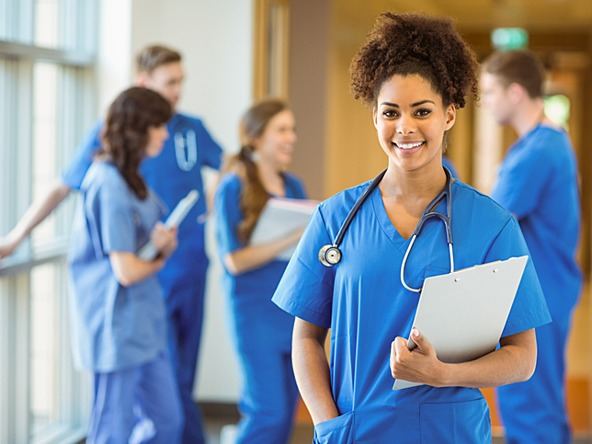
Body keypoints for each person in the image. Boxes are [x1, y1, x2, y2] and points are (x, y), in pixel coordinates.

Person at [271, 12, 551, 443]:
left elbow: (522, 357)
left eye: (422, 111)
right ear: (376, 119)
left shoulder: (492, 226)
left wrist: (444, 374)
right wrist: (328, 423)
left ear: (449, 115)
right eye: (390, 112)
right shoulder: (335, 218)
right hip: (355, 431)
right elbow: (306, 337)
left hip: (449, 432)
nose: (405, 127)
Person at [0, 45, 223, 443]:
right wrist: (18, 235)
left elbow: (228, 167)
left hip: (171, 281)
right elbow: (64, 189)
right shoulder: (109, 178)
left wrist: (193, 219)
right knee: (117, 421)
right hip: (122, 306)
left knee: (170, 405)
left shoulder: (170, 144)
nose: (177, 92)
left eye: (180, 82)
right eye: (170, 83)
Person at [68, 87, 181, 443]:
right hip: (114, 325)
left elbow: (137, 249)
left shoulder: (133, 177)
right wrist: (160, 258)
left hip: (143, 324)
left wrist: (159, 245)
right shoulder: (108, 183)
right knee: (111, 431)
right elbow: (127, 271)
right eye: (158, 126)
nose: (165, 134)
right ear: (137, 128)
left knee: (166, 422)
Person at [481, 49, 582, 444]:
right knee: (544, 403)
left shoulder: (538, 151)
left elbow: (492, 220)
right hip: (551, 288)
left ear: (516, 93)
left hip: (538, 294)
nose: (486, 102)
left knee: (528, 406)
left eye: (490, 92)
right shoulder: (548, 142)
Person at [214, 99, 308, 443]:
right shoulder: (232, 188)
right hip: (254, 315)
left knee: (287, 411)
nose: (291, 137)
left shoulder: (294, 186)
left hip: (291, 311)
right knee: (266, 410)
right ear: (255, 138)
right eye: (282, 130)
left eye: (292, 129)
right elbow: (234, 261)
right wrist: (292, 236)